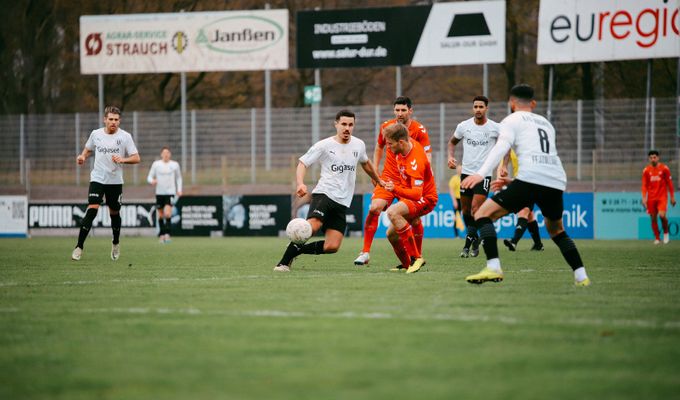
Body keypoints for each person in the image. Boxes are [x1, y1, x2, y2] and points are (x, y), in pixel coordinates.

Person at [461, 84, 591, 287]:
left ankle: (493, 267)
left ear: (511, 103)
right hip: (556, 180)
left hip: (531, 178)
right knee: (557, 230)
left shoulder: (511, 120)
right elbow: (545, 157)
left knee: (482, 214)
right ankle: (581, 276)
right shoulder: (546, 123)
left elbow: (500, 148)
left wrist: (480, 173)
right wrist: (514, 182)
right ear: (533, 103)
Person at [274, 110, 384, 272]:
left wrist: (378, 180)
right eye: (344, 124)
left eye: (350, 125)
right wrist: (300, 184)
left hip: (342, 201)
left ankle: (298, 249)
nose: (347, 128)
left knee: (332, 246)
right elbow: (303, 163)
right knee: (312, 226)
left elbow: (366, 163)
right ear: (336, 124)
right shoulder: (324, 145)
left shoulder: (359, 145)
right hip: (324, 194)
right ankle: (283, 263)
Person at [354, 96, 431, 266]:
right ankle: (365, 252)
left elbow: (427, 156)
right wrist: (376, 173)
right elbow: (378, 148)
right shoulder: (386, 127)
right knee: (374, 207)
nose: (400, 113)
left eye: (403, 110)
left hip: (409, 180)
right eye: (397, 110)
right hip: (388, 178)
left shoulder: (419, 130)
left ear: (410, 111)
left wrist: (422, 178)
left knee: (415, 220)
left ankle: (417, 257)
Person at [71, 106, 140, 261]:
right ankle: (79, 246)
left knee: (114, 213)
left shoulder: (125, 137)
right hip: (97, 178)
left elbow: (136, 157)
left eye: (116, 120)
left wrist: (123, 159)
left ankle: (115, 242)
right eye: (110, 119)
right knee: (92, 209)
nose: (113, 122)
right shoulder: (96, 134)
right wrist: (82, 157)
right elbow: (88, 149)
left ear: (119, 121)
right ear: (105, 119)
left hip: (115, 182)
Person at [448, 95, 501, 258]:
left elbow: (506, 147)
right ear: (473, 108)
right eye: (475, 107)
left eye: (481, 107)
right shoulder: (464, 126)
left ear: (486, 108)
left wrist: (503, 166)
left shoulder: (495, 128)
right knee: (466, 211)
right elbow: (452, 143)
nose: (478, 109)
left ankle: (466, 246)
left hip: (483, 175)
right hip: (466, 173)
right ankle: (475, 239)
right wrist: (450, 156)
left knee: (476, 209)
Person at [382, 123, 438, 273]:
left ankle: (416, 257)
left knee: (393, 212)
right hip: (413, 195)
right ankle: (408, 264)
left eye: (390, 144)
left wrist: (395, 188)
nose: (388, 147)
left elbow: (416, 194)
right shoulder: (405, 146)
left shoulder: (416, 161)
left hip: (426, 198)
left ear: (400, 142)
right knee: (391, 235)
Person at [497, 150, 544, 251]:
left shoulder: (532, 152)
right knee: (529, 215)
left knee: (523, 211)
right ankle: (538, 244)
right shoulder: (513, 149)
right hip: (519, 185)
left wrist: (510, 181)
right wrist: (503, 168)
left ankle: (514, 242)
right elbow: (505, 157)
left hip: (529, 185)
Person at [147, 147, 183, 243]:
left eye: (167, 153)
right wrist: (152, 181)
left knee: (167, 213)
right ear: (161, 154)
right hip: (159, 193)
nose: (166, 154)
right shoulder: (156, 164)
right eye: (164, 153)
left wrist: (179, 189)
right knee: (161, 215)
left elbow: (179, 178)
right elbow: (149, 177)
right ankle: (162, 235)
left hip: (170, 193)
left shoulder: (175, 165)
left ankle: (167, 235)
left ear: (170, 154)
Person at [642, 150, 676, 244]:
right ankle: (657, 238)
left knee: (662, 215)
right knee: (653, 218)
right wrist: (644, 197)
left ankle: (666, 234)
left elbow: (670, 183)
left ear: (658, 158)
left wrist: (672, 197)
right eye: (651, 157)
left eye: (655, 157)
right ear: (649, 159)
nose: (653, 159)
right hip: (651, 198)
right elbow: (644, 185)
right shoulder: (646, 170)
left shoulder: (664, 168)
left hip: (662, 197)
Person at [448, 171, 465, 238]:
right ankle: (456, 235)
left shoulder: (466, 178)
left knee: (467, 216)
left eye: (461, 169)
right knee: (455, 217)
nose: (460, 170)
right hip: (457, 199)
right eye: (459, 169)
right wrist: (454, 201)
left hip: (464, 199)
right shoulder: (454, 179)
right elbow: (451, 190)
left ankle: (469, 234)